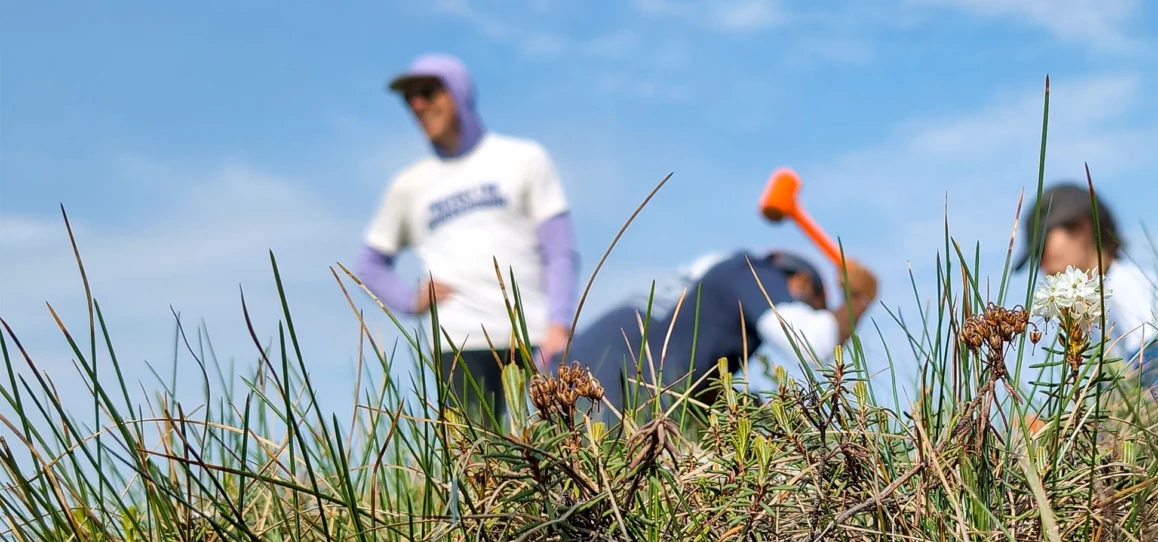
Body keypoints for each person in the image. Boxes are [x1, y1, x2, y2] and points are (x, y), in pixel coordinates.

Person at [354, 53, 578, 430]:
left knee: (559, 444)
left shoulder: (523, 158)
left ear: (457, 92)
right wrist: (410, 299)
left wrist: (560, 322)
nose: (417, 104)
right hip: (456, 342)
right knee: (476, 459)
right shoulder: (409, 184)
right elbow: (369, 264)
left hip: (533, 334)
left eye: (427, 91)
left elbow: (560, 250)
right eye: (409, 98)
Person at [559, 249, 878, 421]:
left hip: (561, 384)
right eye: (814, 307)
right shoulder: (753, 272)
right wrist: (858, 301)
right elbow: (812, 343)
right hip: (607, 396)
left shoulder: (709, 282)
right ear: (801, 283)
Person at [1012, 182, 1158, 393]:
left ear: (1081, 228)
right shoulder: (1101, 299)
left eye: (1042, 247)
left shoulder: (1125, 288)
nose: (1041, 263)